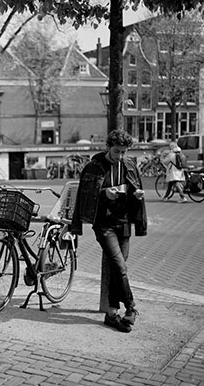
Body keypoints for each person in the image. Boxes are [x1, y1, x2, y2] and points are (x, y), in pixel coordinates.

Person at [71, 129, 147, 333]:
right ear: (108, 147)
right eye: (116, 151)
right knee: (120, 266)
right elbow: (85, 196)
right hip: (104, 225)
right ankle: (131, 308)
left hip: (124, 223)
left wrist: (137, 195)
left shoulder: (130, 165)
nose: (120, 156)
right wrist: (105, 194)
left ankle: (111, 313)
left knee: (117, 269)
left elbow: (133, 191)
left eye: (123, 152)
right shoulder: (94, 167)